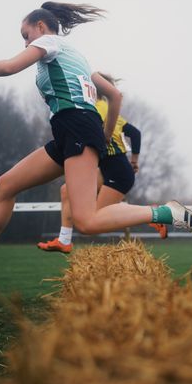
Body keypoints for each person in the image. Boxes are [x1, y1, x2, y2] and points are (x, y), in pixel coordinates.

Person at [0, 1, 192, 273]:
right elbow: (115, 95)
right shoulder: (79, 58)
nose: (26, 44)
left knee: (86, 222)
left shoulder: (49, 42)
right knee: (6, 184)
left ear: (41, 26)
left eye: (26, 35)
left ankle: (167, 213)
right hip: (69, 132)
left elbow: (11, 67)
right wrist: (104, 136)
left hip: (76, 127)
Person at [37, 73, 167, 253]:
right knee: (66, 190)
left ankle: (153, 214)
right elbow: (134, 133)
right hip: (106, 169)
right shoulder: (105, 113)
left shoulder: (100, 107)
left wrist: (133, 161)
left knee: (93, 221)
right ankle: (64, 240)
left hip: (118, 172)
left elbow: (134, 134)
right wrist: (134, 160)